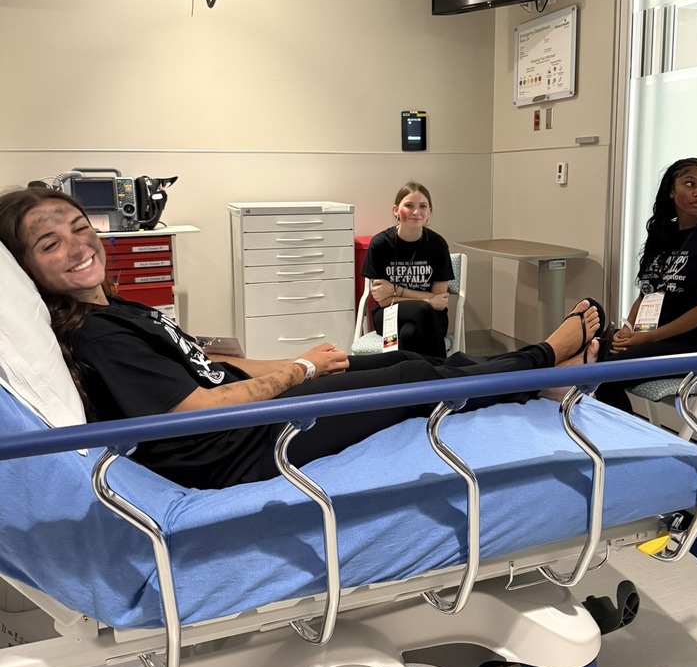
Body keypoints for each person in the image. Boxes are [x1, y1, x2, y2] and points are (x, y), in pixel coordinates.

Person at [0, 187, 607, 490]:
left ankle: (534, 381)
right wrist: (300, 372)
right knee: (413, 376)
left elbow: (211, 366)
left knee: (395, 361)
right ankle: (544, 359)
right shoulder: (99, 336)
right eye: (50, 244)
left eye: (79, 227)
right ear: (25, 268)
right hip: (237, 447)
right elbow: (198, 408)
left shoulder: (116, 308)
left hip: (246, 418)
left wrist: (302, 364)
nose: (77, 246)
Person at [595, 157, 697, 414]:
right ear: (671, 190)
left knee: (605, 373)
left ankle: (624, 438)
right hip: (649, 337)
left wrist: (646, 338)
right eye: (690, 184)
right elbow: (646, 294)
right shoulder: (662, 235)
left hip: (692, 346)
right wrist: (628, 329)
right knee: (589, 352)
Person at [361, 182, 454, 358]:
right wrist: (427, 300)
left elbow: (440, 299)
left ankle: (406, 374)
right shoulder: (380, 244)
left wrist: (395, 290)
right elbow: (383, 300)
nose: (416, 212)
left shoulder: (437, 245)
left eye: (423, 206)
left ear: (430, 212)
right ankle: (442, 370)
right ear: (396, 210)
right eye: (409, 205)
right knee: (422, 309)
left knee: (408, 334)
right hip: (389, 313)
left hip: (432, 316)